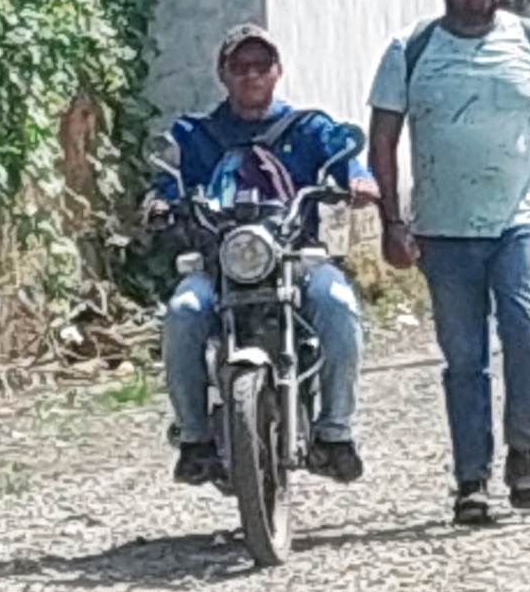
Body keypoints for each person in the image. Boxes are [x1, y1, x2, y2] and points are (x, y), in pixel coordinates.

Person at [367, 0, 530, 526]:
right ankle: (471, 480)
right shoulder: (411, 49)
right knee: (464, 358)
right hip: (444, 231)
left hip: (520, 223)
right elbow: (383, 139)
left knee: (528, 332)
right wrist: (391, 221)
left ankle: (524, 451)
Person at [146, 24, 378, 486]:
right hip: (218, 263)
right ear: (223, 74)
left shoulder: (307, 127)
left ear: (278, 71)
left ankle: (335, 432)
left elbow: (343, 155)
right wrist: (158, 202)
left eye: (261, 65)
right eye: (240, 66)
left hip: (297, 257)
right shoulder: (195, 134)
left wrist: (357, 179)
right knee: (184, 312)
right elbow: (166, 178)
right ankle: (194, 439)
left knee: (337, 304)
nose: (252, 75)